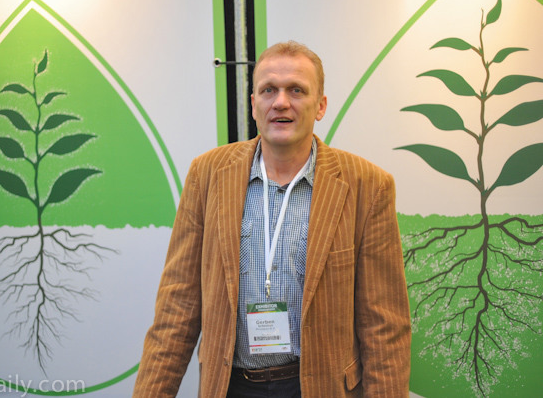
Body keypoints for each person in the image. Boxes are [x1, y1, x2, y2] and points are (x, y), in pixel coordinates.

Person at [133, 41, 411, 397]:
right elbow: (178, 307)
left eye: (296, 90)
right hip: (230, 386)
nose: (281, 102)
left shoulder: (367, 186)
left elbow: (384, 326)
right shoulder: (207, 175)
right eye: (268, 90)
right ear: (254, 104)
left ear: (321, 105)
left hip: (319, 387)